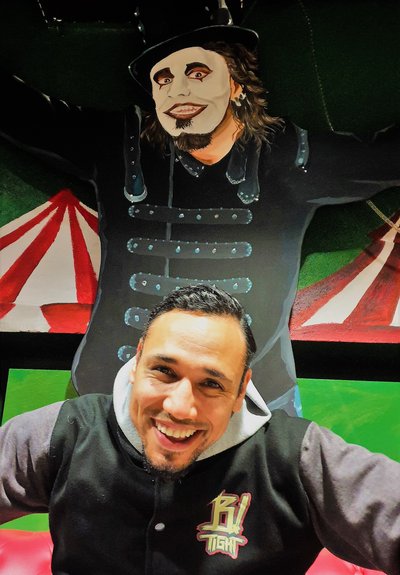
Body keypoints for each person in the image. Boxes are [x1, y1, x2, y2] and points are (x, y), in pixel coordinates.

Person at [1, 18, 399, 416]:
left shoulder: (286, 155)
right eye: (163, 79)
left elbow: (387, 155)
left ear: (237, 83)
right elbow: (23, 114)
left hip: (250, 410)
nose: (178, 91)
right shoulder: (119, 145)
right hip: (112, 401)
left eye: (197, 73)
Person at [0, 284, 399, 574]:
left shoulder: (297, 457)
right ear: (138, 361)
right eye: (163, 370)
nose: (178, 407)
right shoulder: (67, 431)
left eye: (211, 384)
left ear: (241, 389)